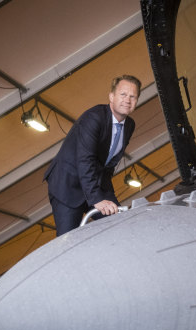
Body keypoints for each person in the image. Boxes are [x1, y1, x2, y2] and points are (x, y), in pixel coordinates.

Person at [44, 75, 141, 236]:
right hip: (68, 185)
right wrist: (97, 199)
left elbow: (107, 165)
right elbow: (85, 159)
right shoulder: (94, 117)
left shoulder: (129, 125)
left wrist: (109, 197)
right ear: (111, 96)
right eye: (123, 94)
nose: (127, 100)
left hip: (94, 185)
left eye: (133, 96)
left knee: (120, 225)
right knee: (69, 240)